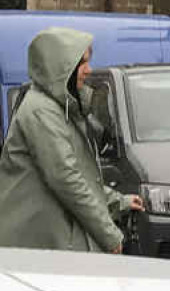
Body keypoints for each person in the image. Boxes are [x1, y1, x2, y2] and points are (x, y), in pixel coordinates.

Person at [0, 27, 143, 252]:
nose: (88, 70)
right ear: (62, 68)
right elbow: (66, 178)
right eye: (82, 63)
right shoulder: (41, 111)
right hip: (35, 246)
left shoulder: (60, 108)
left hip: (47, 244)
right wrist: (109, 234)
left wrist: (119, 201)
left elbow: (80, 176)